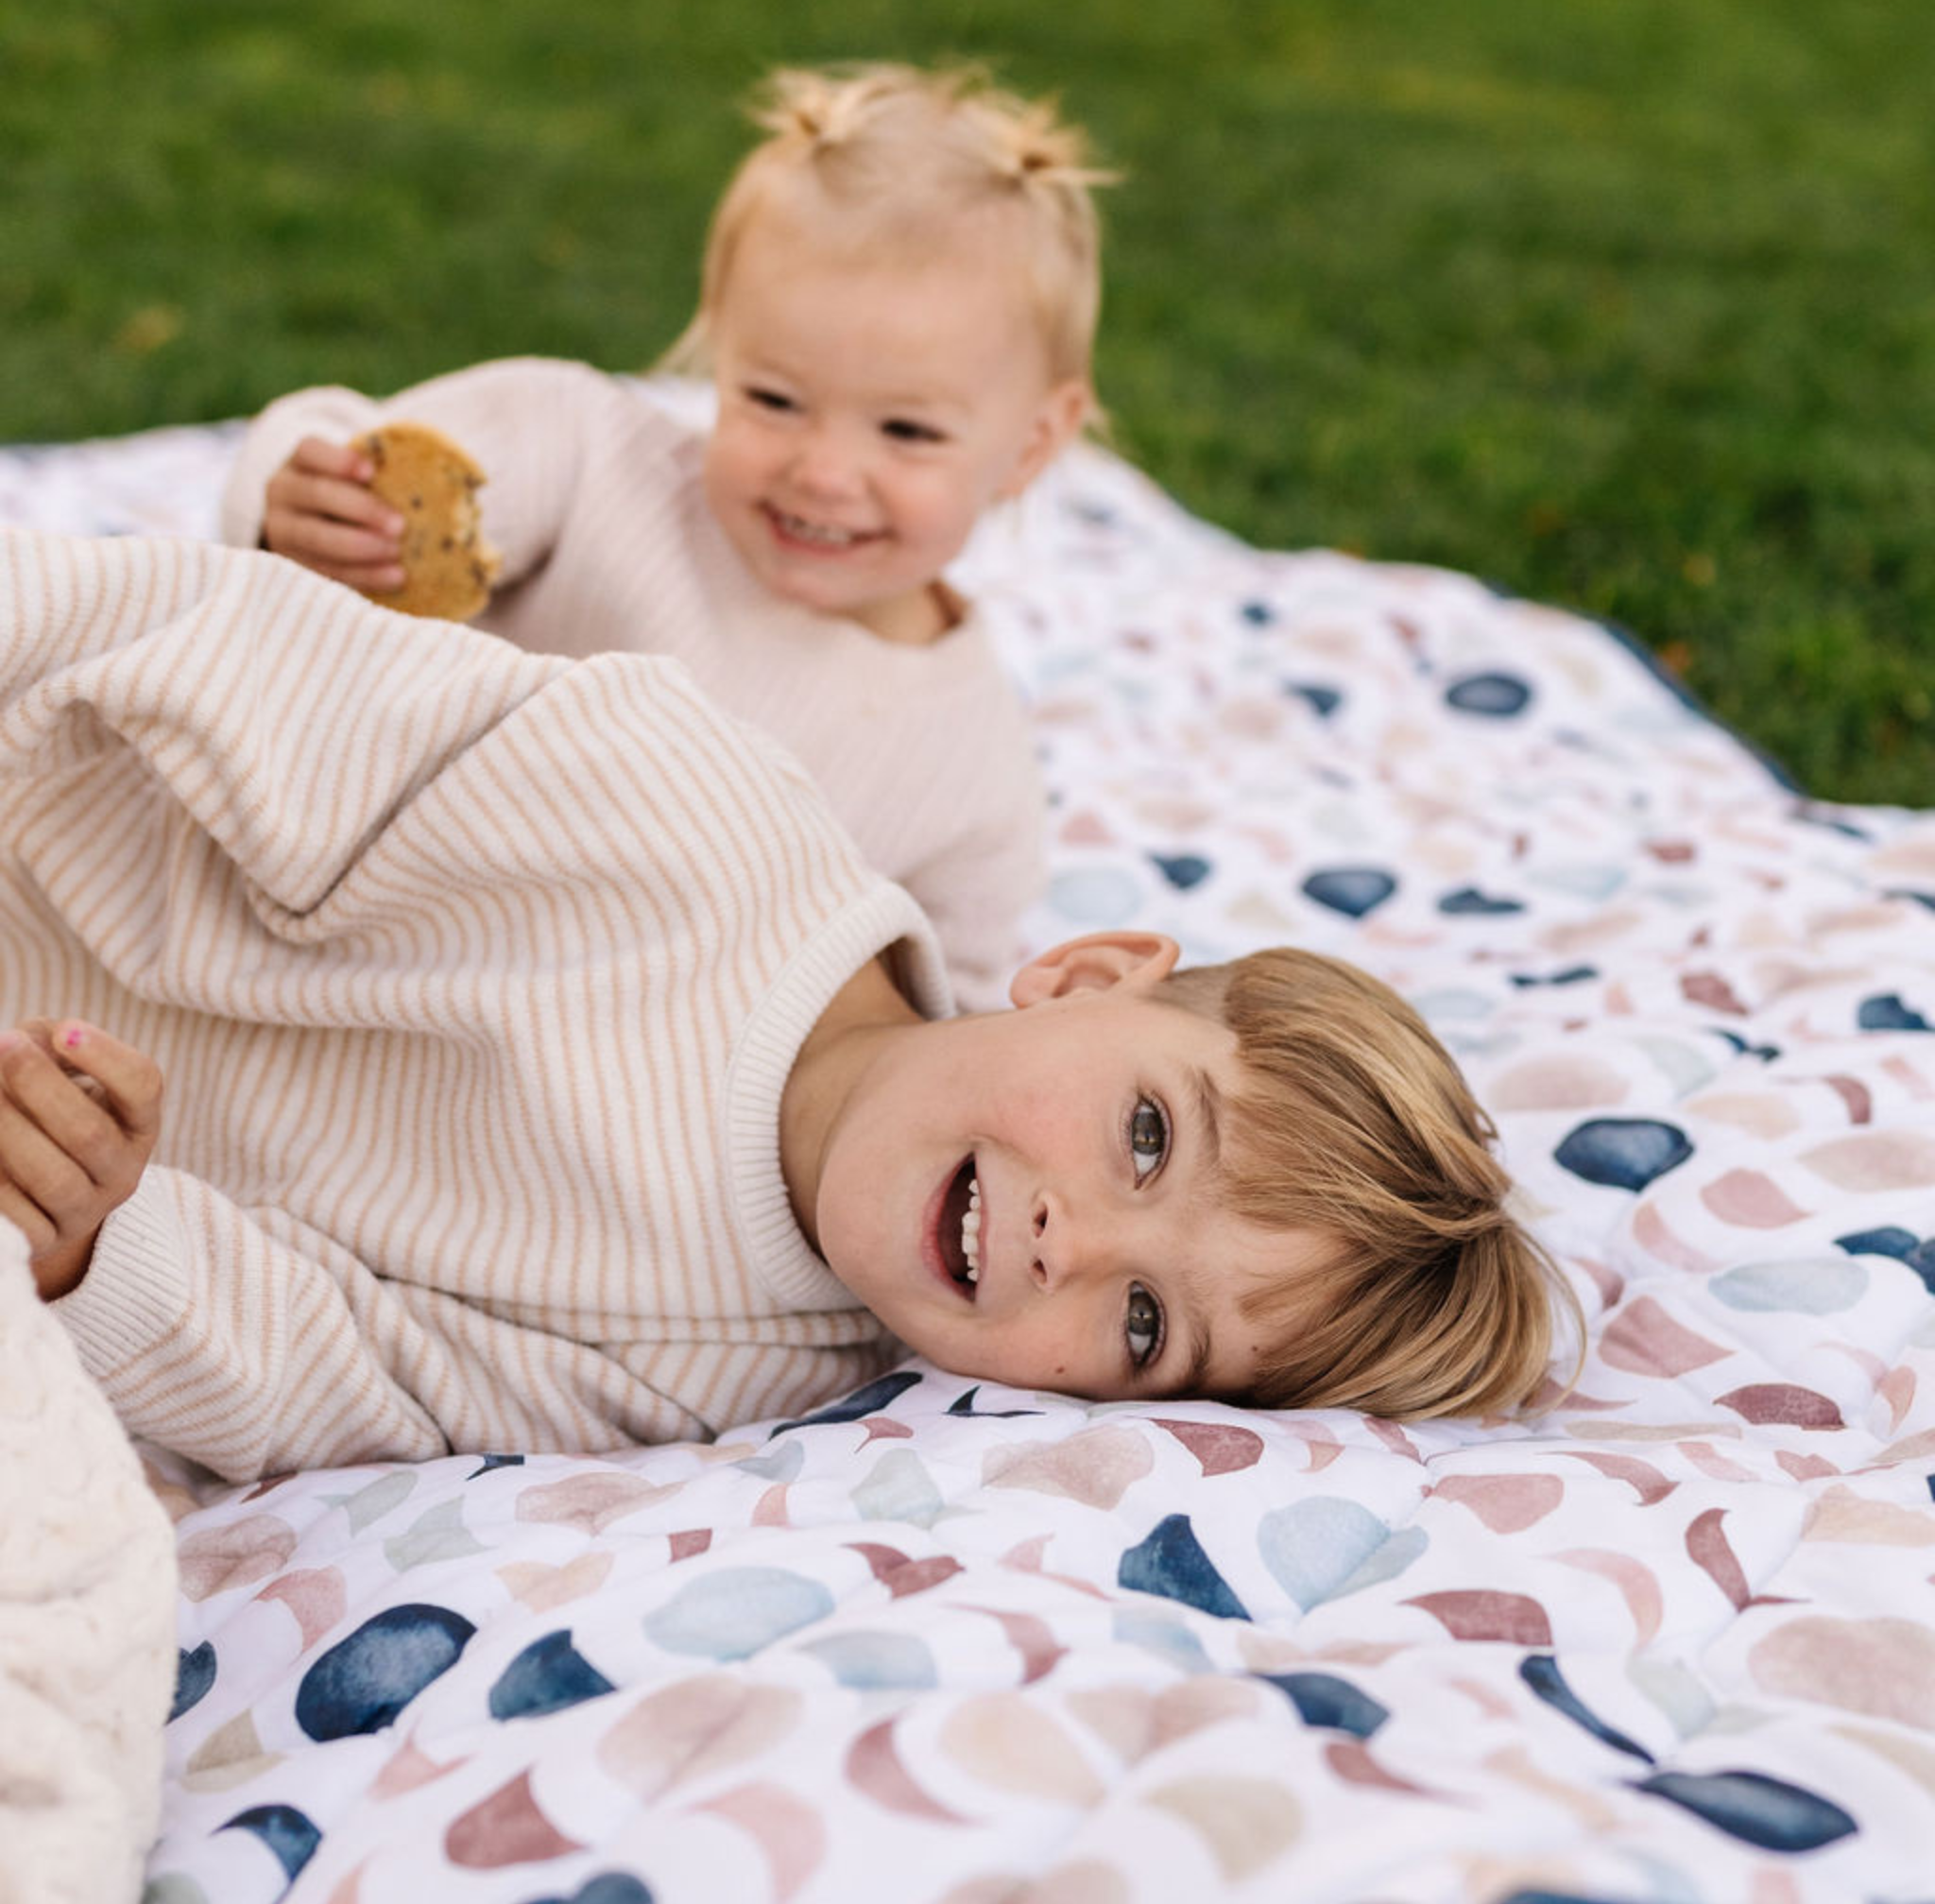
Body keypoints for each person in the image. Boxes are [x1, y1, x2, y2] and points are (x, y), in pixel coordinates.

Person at [0, 531, 1567, 1483]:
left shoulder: (734, 1369)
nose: (1070, 1245)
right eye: (1147, 1137)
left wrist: (100, 1237)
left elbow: (348, 1372)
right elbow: (226, 657)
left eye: (1145, 1325)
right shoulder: (686, 810)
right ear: (1085, 973)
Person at [219, 62, 1110, 1008]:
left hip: (559, 1063)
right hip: (334, 895)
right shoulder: (589, 461)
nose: (822, 471)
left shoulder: (970, 784)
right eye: (772, 398)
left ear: (1031, 444)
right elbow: (368, 450)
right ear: (718, 351)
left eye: (906, 431)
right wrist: (308, 504)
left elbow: (945, 1014)